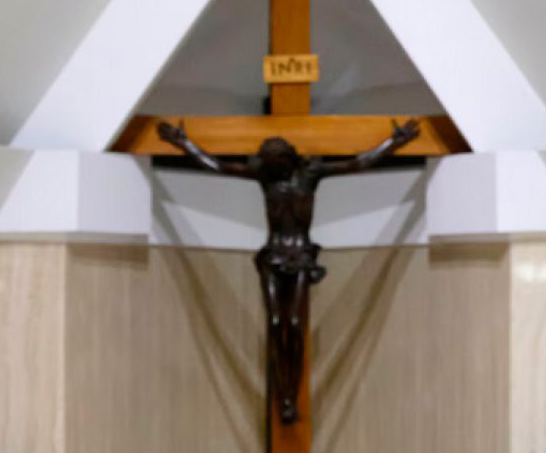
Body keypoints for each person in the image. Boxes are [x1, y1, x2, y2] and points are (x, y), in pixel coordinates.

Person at [157, 119, 420, 423]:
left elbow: (358, 163)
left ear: (287, 158)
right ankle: (282, 394)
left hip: (301, 256)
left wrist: (394, 143)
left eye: (276, 162)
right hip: (272, 256)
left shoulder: (310, 175)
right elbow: (219, 166)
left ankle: (290, 396)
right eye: (267, 162)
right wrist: (183, 143)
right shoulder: (265, 178)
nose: (272, 167)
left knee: (293, 323)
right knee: (274, 322)